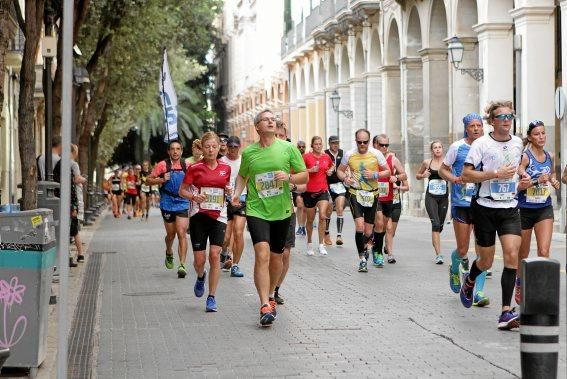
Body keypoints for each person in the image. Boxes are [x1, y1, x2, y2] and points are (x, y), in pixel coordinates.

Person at [231, 109, 307, 327]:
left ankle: (272, 294)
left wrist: (289, 177)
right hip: (256, 209)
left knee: (277, 258)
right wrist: (237, 194)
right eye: (266, 120)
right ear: (257, 126)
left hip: (282, 210)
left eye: (273, 119)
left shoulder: (288, 148)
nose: (271, 122)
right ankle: (264, 303)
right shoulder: (250, 153)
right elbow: (243, 175)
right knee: (261, 254)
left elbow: (304, 176)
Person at [460, 100, 526, 330]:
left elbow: (516, 169)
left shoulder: (518, 143)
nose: (507, 120)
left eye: (510, 116)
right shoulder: (481, 144)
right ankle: (470, 280)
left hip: (509, 207)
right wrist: (494, 174)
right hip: (485, 208)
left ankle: (505, 312)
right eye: (502, 117)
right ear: (492, 121)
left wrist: (522, 179)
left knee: (511, 255)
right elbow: (466, 174)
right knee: (485, 261)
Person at [439, 113, 489, 307]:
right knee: (462, 249)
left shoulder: (487, 146)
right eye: (472, 126)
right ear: (466, 128)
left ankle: (479, 292)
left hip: (484, 203)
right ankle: (454, 267)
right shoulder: (457, 147)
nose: (476, 129)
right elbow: (443, 169)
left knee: (482, 251)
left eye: (479, 125)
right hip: (462, 204)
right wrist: (454, 179)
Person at [179, 132, 231, 312]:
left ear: (219, 148)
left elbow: (226, 188)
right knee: (199, 260)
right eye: (207, 146)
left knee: (215, 255)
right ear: (202, 148)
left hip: (219, 216)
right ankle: (201, 276)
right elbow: (182, 191)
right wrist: (194, 196)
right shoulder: (195, 168)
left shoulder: (226, 168)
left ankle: (212, 297)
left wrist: (229, 190)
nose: (210, 150)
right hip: (199, 216)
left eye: (214, 147)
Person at [515, 120, 561, 303]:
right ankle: (519, 283)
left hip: (544, 208)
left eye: (543, 133)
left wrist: (554, 181)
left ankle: (541, 289)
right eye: (537, 134)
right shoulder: (525, 157)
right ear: (530, 137)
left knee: (543, 250)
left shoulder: (549, 155)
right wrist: (532, 179)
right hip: (525, 209)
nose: (541, 137)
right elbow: (521, 175)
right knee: (523, 253)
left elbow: (550, 175)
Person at [336, 129, 391, 272]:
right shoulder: (349, 154)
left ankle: (368, 250)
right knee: (359, 226)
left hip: (372, 195)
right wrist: (345, 178)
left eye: (365, 142)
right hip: (356, 194)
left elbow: (387, 172)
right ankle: (362, 259)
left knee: (368, 231)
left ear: (369, 141)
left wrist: (375, 174)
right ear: (356, 141)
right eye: (359, 142)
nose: (362, 145)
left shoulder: (376, 154)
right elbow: (340, 171)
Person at [146, 140, 190, 278]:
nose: (175, 151)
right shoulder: (163, 165)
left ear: (182, 151)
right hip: (167, 202)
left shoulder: (187, 165)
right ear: (169, 151)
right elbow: (148, 180)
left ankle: (182, 264)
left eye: (178, 149)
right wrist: (161, 179)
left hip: (183, 201)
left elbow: (197, 179)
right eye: (173, 149)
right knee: (171, 235)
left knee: (181, 232)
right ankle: (169, 251)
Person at [274, 121, 306, 304]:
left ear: (286, 136)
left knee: (285, 254)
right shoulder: (262, 155)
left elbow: (304, 184)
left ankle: (275, 289)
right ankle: (268, 290)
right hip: (265, 211)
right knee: (271, 254)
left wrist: (291, 183)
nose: (278, 139)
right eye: (275, 135)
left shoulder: (291, 154)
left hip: (287, 209)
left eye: (281, 135)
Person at [372, 134, 407, 266]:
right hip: (375, 196)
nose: (385, 148)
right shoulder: (371, 158)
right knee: (380, 223)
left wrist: (396, 177)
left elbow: (404, 174)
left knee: (385, 225)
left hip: (389, 197)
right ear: (375, 144)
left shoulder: (393, 159)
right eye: (382, 145)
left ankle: (376, 246)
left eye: (387, 145)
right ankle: (378, 253)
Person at [416, 140, 449, 264]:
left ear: (442, 149)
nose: (438, 149)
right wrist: (423, 175)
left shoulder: (447, 162)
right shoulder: (427, 162)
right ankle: (439, 254)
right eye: (435, 147)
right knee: (435, 224)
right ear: (432, 150)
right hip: (431, 197)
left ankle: (436, 236)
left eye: (440, 147)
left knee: (439, 225)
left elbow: (455, 175)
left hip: (444, 197)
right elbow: (417, 175)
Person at [220, 136, 247, 277]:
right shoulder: (221, 161)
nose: (232, 150)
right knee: (225, 237)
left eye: (235, 147)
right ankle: (224, 253)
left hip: (241, 199)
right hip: (225, 200)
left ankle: (235, 264)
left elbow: (248, 180)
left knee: (238, 233)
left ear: (239, 147)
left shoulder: (244, 161)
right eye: (230, 147)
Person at [303, 136, 333, 256]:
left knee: (322, 216)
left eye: (320, 144)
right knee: (310, 220)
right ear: (312, 145)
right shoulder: (306, 157)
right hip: (309, 192)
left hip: (322, 191)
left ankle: (321, 244)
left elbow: (332, 165)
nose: (318, 146)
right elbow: (298, 170)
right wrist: (310, 170)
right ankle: (309, 244)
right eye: (316, 144)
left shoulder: (326, 157)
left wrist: (330, 170)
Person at [386, 152, 409, 264]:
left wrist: (397, 186)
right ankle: (390, 254)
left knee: (392, 231)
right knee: (389, 229)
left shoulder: (399, 173)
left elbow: (407, 187)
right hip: (386, 202)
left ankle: (387, 245)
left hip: (396, 203)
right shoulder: (384, 172)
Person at [324, 135, 346, 246]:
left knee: (340, 208)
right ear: (329, 144)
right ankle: (326, 233)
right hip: (327, 185)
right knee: (328, 210)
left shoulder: (343, 153)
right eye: (333, 143)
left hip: (340, 185)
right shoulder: (325, 154)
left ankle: (339, 236)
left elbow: (348, 166)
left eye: (337, 143)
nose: (335, 145)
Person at [294, 140, 307, 236]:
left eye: (303, 147)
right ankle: (300, 227)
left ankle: (303, 226)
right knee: (299, 204)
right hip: (297, 184)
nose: (301, 148)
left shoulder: (308, 157)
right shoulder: (294, 157)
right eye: (300, 147)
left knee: (306, 207)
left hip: (307, 184)